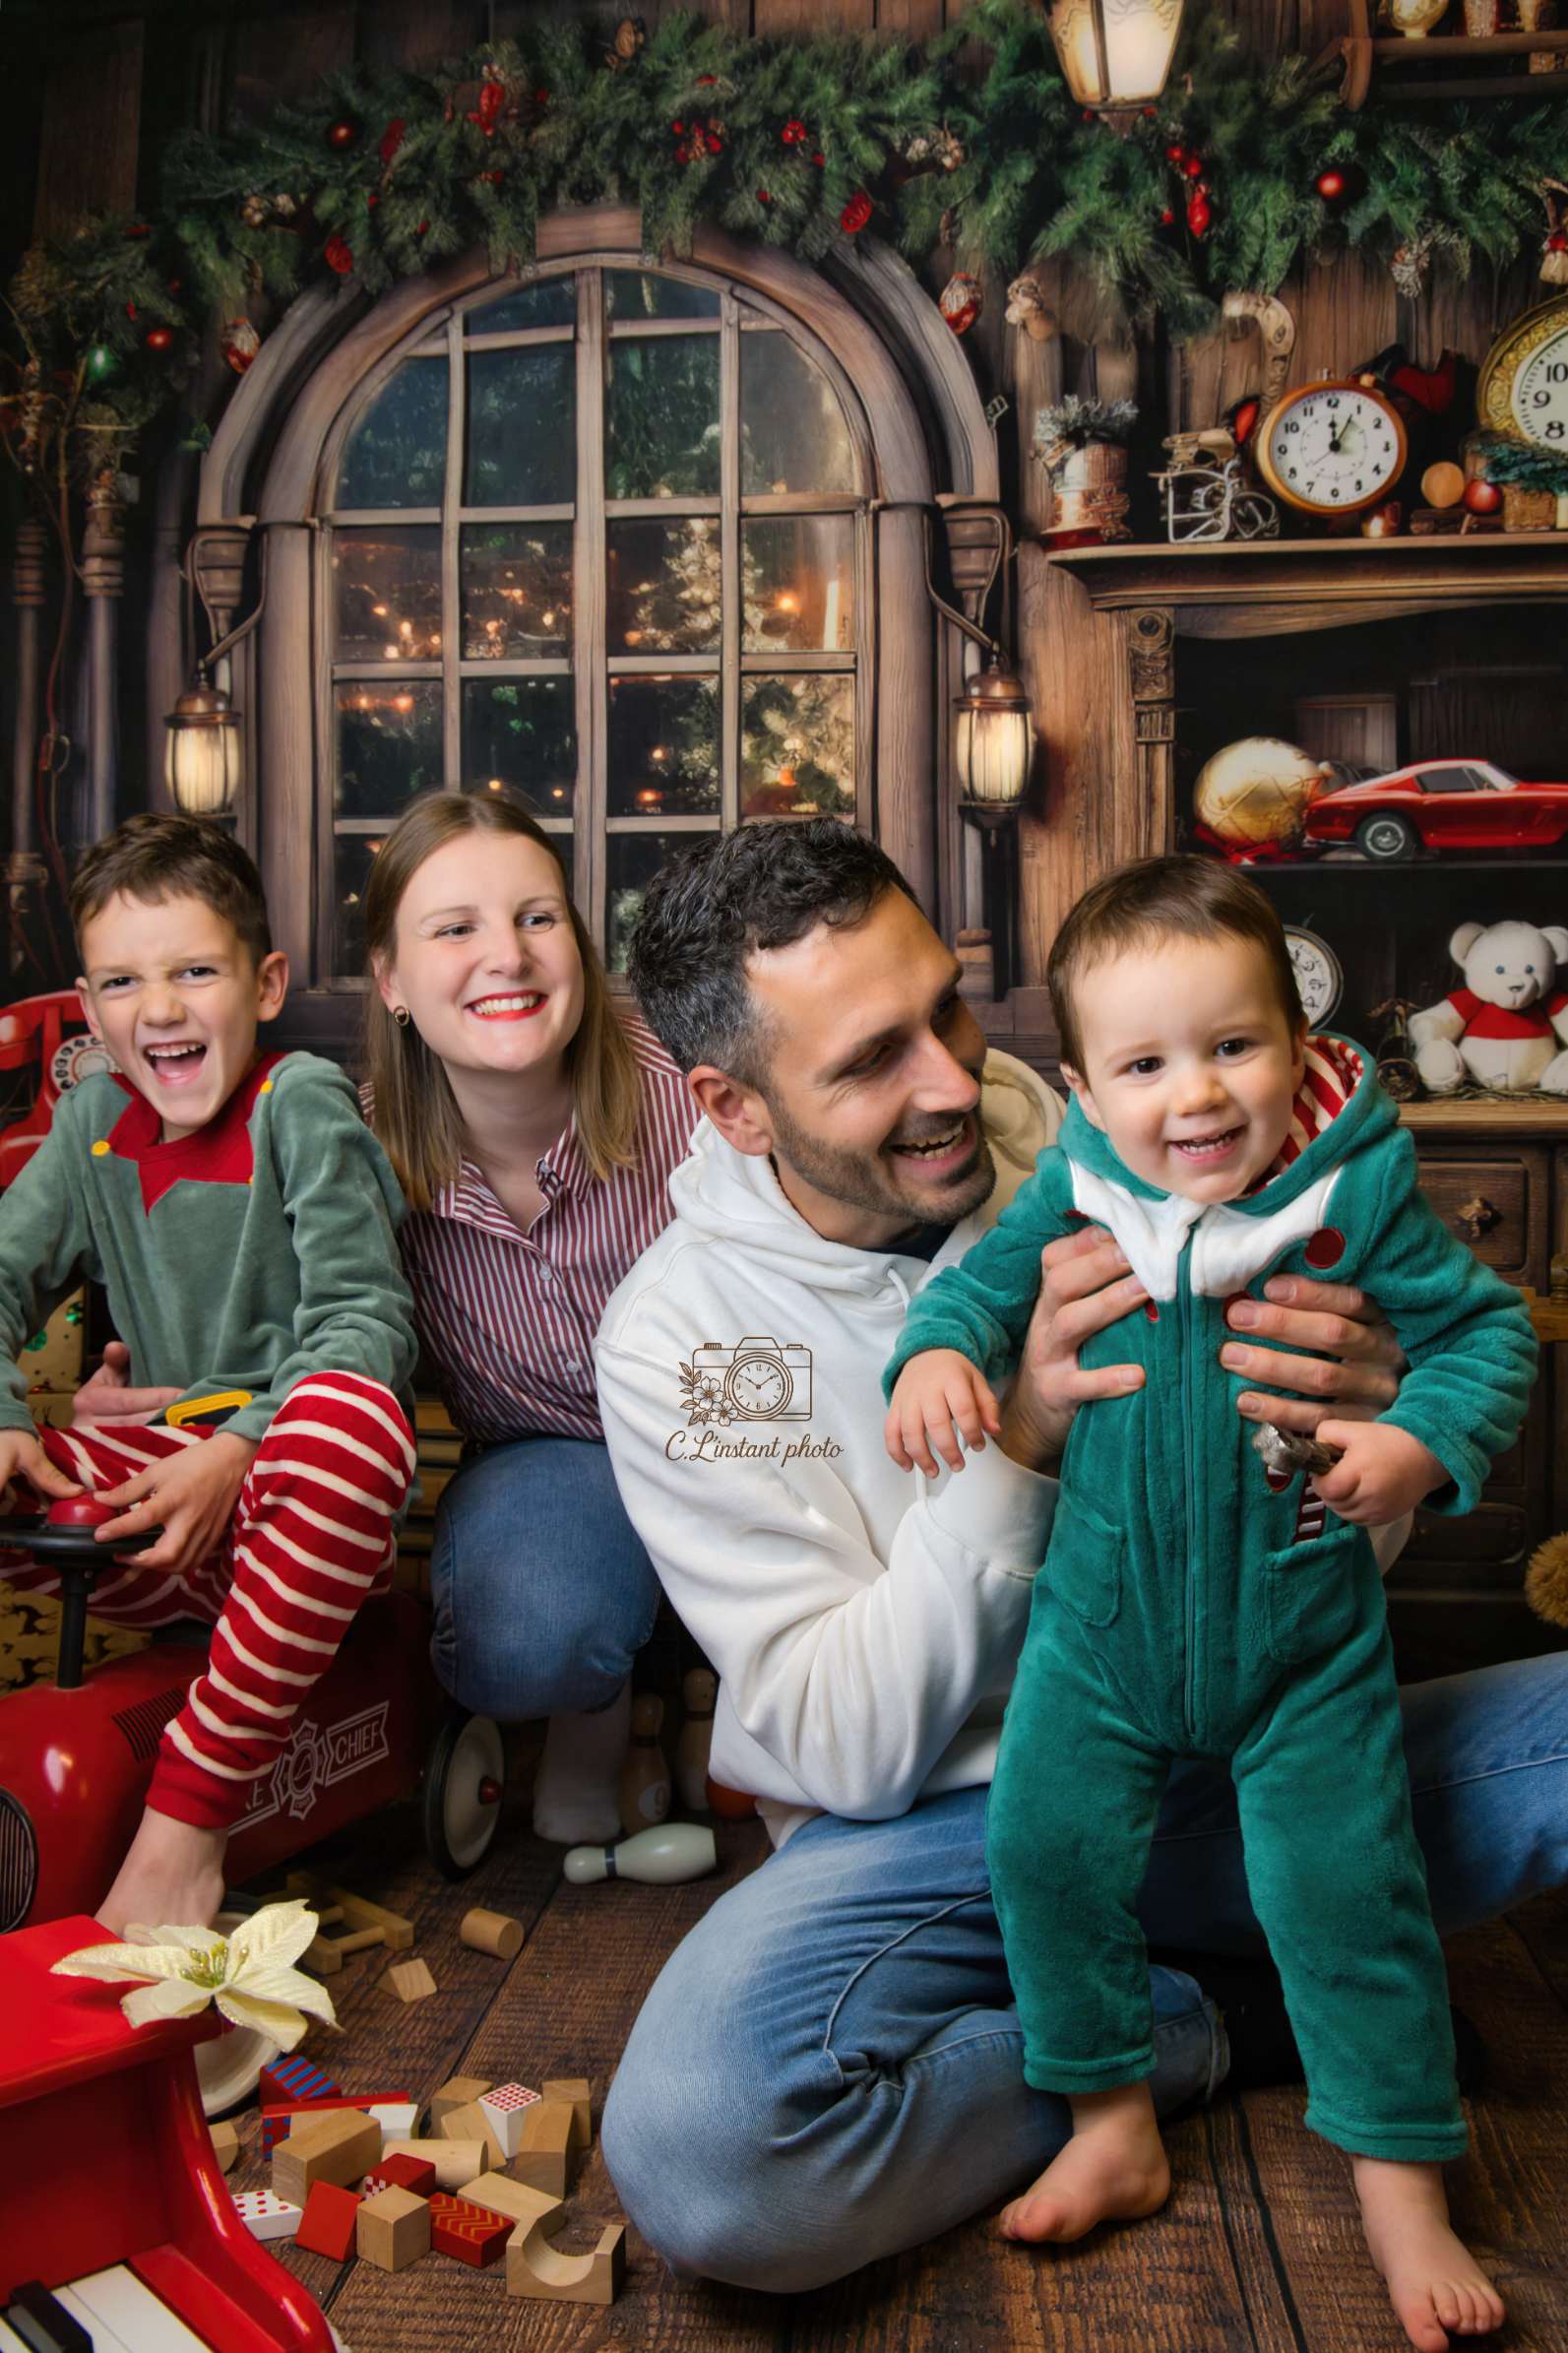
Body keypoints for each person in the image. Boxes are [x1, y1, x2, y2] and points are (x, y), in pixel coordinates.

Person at [594, 818, 1568, 2322]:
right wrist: (1021, 1442)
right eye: (869, 1060)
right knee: (707, 2149)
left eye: (950, 1009)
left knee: (1360, 1822)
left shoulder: (1120, 1111)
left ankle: (1293, 1933)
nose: (948, 1085)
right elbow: (838, 1745)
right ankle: (1231, 2011)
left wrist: (1372, 1419)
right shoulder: (680, 1340)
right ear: (729, 1104)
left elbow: (1350, 1535)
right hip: (959, 1825)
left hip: (1276, 1706)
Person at [884, 857, 1531, 2350]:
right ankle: (1108, 2113)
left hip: (1302, 1635)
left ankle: (1401, 2182)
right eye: (1146, 1062)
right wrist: (936, 1358)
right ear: (1084, 1086)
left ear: (1298, 1046)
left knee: (1347, 1896)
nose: (1197, 1096)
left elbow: (1482, 1334)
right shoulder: (1080, 1179)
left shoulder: (1353, 1187)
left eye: (1234, 1045)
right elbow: (977, 1294)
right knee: (1041, 1853)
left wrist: (1419, 1440)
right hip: (1100, 1629)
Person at [0, 814, 417, 1935]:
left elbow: (364, 1319)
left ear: (266, 981)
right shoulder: (90, 1124)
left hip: (300, 1516)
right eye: (124, 982)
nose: (163, 1008)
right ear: (90, 1011)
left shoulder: (303, 1107)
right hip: (153, 1511)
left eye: (195, 969)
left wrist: (235, 1448)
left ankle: (186, 1824)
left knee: (346, 1415)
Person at [358, 791, 698, 1839]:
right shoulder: (360, 1155)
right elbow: (321, 1334)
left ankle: (712, 1691)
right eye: (454, 928)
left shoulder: (683, 1080)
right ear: (391, 979)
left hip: (743, 1420)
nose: (506, 954)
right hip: (554, 1450)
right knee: (523, 1631)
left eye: (537, 917)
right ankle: (602, 1696)